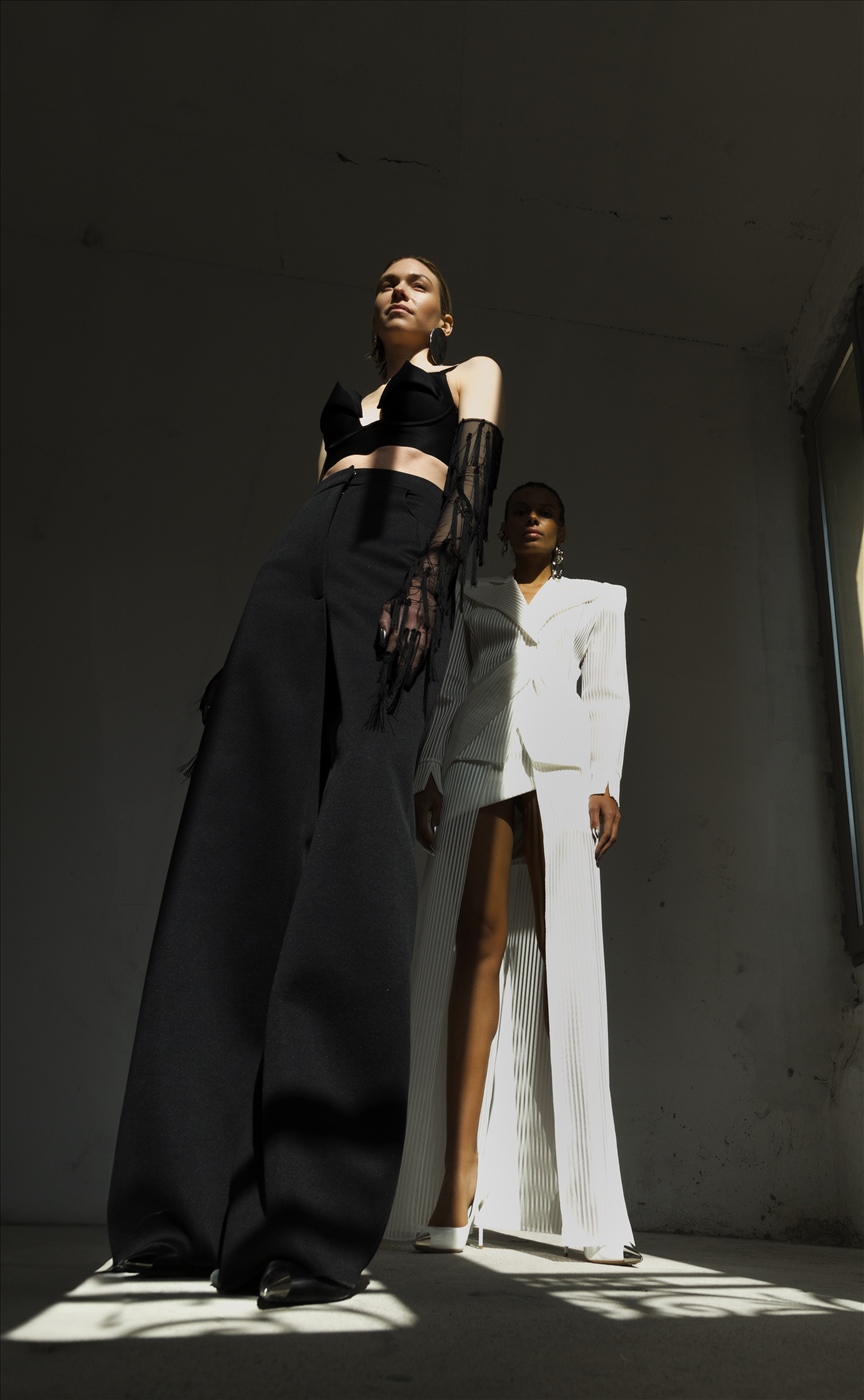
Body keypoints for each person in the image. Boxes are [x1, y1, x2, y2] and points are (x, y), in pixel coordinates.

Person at [107, 256, 504, 1308]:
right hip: (292, 579)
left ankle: (312, 1226)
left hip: (397, 570)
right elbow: (315, 514)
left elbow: (469, 492)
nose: (399, 288)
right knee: (231, 857)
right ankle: (181, 1209)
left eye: (420, 281)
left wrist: (432, 582)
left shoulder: (470, 374)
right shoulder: (345, 412)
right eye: (386, 280)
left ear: (445, 313)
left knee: (356, 862)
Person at [387, 481, 641, 1265]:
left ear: (561, 528)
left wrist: (605, 781)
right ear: (503, 526)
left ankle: (595, 1209)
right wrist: (429, 772)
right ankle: (453, 1186)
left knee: (570, 957)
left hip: (562, 769)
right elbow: (449, 693)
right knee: (474, 944)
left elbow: (607, 698)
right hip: (477, 760)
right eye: (520, 507)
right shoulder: (475, 599)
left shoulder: (598, 601)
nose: (531, 516)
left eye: (545, 509)